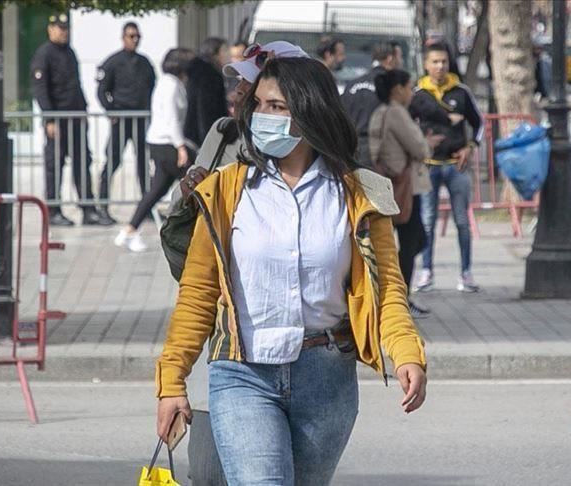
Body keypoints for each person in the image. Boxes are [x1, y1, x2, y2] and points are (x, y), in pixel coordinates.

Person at [155, 57, 427, 485]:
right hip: (242, 372)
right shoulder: (224, 189)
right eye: (259, 105)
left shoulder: (359, 194)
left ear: (310, 110)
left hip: (326, 376)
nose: (262, 115)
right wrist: (172, 380)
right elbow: (197, 292)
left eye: (277, 106)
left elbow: (386, 288)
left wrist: (407, 352)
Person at [171, 41, 311, 209]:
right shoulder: (224, 132)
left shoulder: (312, 155)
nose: (239, 89)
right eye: (241, 79)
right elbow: (176, 207)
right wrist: (189, 192)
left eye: (252, 81)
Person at [369, 69, 445, 318]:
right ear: (397, 89)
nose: (411, 93)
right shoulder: (396, 113)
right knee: (414, 240)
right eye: (409, 87)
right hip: (403, 187)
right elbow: (419, 148)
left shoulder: (381, 111)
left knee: (403, 240)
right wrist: (427, 143)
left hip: (387, 185)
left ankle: (393, 293)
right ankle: (400, 296)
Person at [409, 42, 483, 293]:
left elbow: (479, 123)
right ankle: (426, 272)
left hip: (456, 167)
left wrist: (470, 147)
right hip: (428, 167)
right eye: (435, 62)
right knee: (427, 221)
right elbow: (406, 125)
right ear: (426, 64)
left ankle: (466, 273)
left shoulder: (461, 92)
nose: (440, 66)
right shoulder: (418, 93)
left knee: (462, 221)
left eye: (444, 61)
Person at [31, 14, 113, 226]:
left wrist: (84, 111)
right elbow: (40, 90)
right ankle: (53, 210)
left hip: (76, 119)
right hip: (58, 120)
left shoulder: (69, 52)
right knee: (55, 166)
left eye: (65, 28)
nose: (63, 32)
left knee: (82, 163)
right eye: (59, 28)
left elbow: (75, 86)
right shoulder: (44, 54)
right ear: (50, 29)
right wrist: (49, 118)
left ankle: (88, 209)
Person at [114, 48, 196, 252]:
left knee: (157, 189)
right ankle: (196, 230)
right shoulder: (171, 85)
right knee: (197, 183)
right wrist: (180, 146)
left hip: (160, 142)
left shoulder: (167, 83)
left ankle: (130, 229)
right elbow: (171, 118)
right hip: (167, 143)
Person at [96, 22, 156, 221]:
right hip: (121, 120)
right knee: (112, 162)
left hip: (141, 121)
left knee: (143, 164)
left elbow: (152, 88)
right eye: (131, 36)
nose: (135, 40)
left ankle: (147, 208)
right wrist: (111, 111)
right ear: (123, 38)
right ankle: (103, 206)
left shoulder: (145, 63)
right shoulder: (113, 62)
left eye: (138, 36)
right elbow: (102, 91)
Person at [341, 41, 404, 166]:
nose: (401, 62)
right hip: (379, 151)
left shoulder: (351, 84)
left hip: (350, 149)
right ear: (390, 58)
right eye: (400, 57)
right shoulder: (392, 87)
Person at [184, 37, 230, 147]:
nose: (228, 55)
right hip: (205, 135)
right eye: (224, 51)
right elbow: (206, 109)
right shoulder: (210, 75)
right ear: (214, 54)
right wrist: (210, 139)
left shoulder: (197, 72)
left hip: (194, 133)